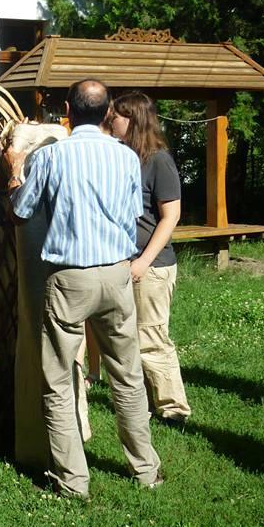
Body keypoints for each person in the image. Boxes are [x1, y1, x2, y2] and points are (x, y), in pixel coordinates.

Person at [6, 79, 161, 499]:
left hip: (70, 278)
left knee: (57, 381)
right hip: (116, 274)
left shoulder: (53, 157)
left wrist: (15, 169)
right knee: (127, 376)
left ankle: (74, 482)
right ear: (107, 111)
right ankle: (146, 470)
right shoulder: (127, 158)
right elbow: (133, 213)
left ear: (68, 115)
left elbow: (21, 212)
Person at [111, 91, 191, 424]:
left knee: (152, 337)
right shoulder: (121, 157)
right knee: (129, 337)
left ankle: (173, 409)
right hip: (125, 264)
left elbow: (170, 216)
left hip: (152, 266)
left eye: (115, 115)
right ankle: (141, 401)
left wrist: (144, 261)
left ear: (133, 119)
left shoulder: (158, 160)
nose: (109, 120)